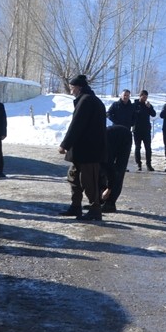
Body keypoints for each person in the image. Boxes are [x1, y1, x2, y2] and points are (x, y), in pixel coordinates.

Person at [58, 74, 107, 221]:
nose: (71, 91)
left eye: (72, 88)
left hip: (88, 151)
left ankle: (95, 209)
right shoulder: (89, 100)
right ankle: (75, 206)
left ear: (79, 87)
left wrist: (65, 145)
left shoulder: (86, 101)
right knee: (74, 178)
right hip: (82, 150)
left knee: (88, 181)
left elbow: (76, 125)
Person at [101, 121, 132, 213]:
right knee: (100, 172)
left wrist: (109, 189)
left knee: (118, 170)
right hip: (111, 139)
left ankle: (110, 203)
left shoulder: (103, 150)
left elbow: (110, 169)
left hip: (124, 137)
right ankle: (100, 201)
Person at [131, 90, 156, 171]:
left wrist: (149, 107)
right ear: (140, 96)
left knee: (148, 148)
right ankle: (138, 164)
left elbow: (153, 114)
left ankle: (149, 164)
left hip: (146, 130)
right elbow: (131, 115)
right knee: (137, 147)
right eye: (143, 97)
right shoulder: (134, 105)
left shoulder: (147, 105)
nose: (145, 98)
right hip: (137, 130)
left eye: (146, 97)